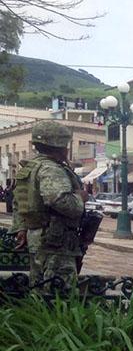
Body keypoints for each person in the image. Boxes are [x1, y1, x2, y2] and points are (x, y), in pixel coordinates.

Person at [11, 120, 89, 284]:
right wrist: (80, 198)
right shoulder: (51, 169)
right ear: (60, 146)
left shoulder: (31, 167)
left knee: (39, 289)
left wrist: (22, 228)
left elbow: (19, 202)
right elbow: (60, 200)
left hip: (37, 237)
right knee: (59, 291)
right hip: (55, 241)